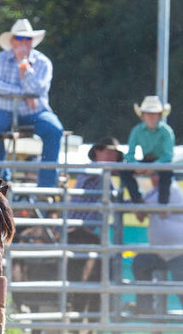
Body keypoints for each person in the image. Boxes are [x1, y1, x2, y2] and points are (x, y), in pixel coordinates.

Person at [0, 18, 64, 189]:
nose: (24, 43)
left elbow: (38, 89)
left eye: (28, 39)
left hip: (36, 113)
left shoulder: (43, 62)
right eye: (20, 39)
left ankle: (47, 185)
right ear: (12, 41)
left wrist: (23, 67)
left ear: (32, 42)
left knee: (54, 129)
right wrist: (24, 94)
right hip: (5, 112)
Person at [130, 171, 183, 317]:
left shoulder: (170, 188)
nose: (153, 178)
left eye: (157, 174)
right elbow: (141, 215)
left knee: (181, 287)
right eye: (152, 175)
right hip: (162, 252)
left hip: (179, 252)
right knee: (140, 263)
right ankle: (145, 308)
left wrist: (132, 192)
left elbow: (143, 209)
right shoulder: (155, 192)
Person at [120, 96, 176, 205]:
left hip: (161, 163)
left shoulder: (166, 131)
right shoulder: (137, 131)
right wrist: (136, 165)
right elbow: (130, 154)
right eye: (148, 113)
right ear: (143, 116)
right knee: (124, 170)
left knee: (167, 173)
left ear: (159, 115)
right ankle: (137, 200)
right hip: (146, 160)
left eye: (154, 113)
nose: (151, 116)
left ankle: (163, 204)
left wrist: (154, 165)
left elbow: (168, 155)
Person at [69, 137, 123, 231]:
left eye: (116, 155)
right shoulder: (93, 170)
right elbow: (115, 197)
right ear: (97, 151)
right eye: (109, 153)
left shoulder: (103, 175)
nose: (113, 158)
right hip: (76, 228)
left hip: (79, 227)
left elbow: (115, 197)